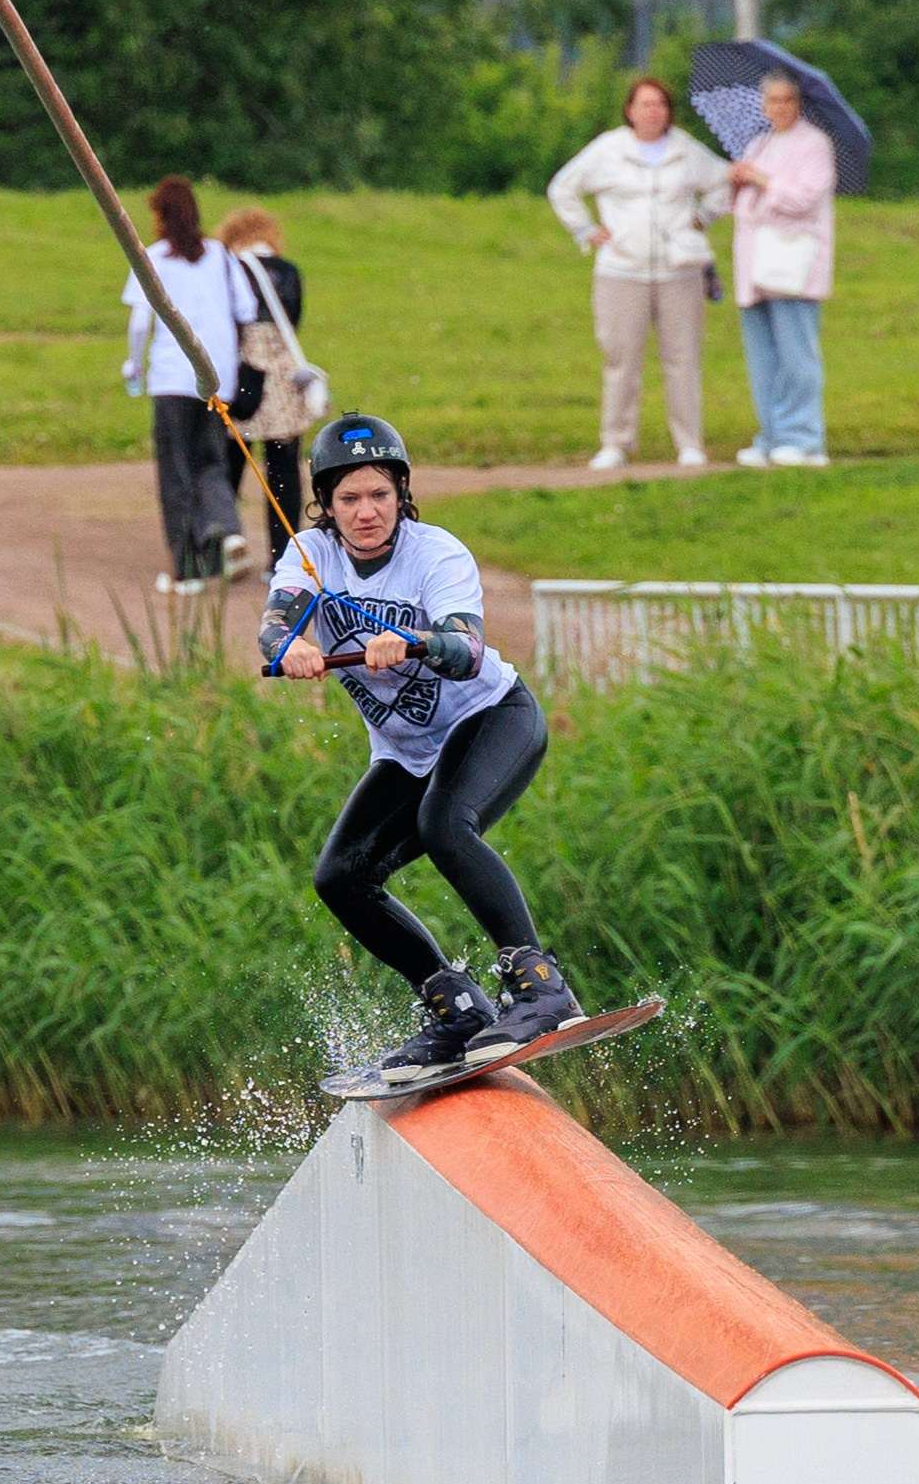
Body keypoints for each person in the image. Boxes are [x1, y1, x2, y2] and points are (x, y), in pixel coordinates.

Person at [262, 412, 588, 1087]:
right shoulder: (308, 554)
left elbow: (466, 647)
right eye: (348, 499)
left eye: (378, 494)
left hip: (492, 716)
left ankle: (540, 988)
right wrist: (289, 645)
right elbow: (275, 622)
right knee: (339, 877)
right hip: (406, 751)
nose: (365, 512)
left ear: (401, 492)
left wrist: (414, 642)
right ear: (325, 503)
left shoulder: (435, 553)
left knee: (443, 824)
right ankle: (456, 1008)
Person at [548, 73, 730, 474]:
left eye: (661, 104)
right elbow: (563, 187)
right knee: (621, 359)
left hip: (678, 269)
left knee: (683, 359)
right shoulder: (609, 150)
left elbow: (724, 181)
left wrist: (702, 216)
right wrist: (586, 230)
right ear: (630, 110)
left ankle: (689, 443)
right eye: (645, 104)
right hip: (621, 269)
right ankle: (616, 442)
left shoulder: (686, 150)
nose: (653, 111)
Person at [122, 175, 248, 590]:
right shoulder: (222, 256)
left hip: (173, 378)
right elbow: (245, 313)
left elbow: (141, 322)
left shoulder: (153, 258)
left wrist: (133, 365)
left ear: (162, 216)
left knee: (175, 471)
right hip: (216, 378)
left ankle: (189, 569)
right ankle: (227, 530)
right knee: (211, 461)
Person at [729, 70, 837, 469]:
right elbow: (744, 204)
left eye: (787, 100)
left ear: (799, 104)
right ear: (763, 105)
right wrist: (739, 182)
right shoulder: (759, 143)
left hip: (794, 262)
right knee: (763, 357)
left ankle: (804, 436)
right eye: (772, 101)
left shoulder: (815, 145)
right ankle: (771, 434)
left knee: (797, 354)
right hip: (755, 263)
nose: (779, 108)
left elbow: (806, 198)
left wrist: (761, 180)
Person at [217, 206, 322, 572]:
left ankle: (225, 544)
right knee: (283, 470)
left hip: (243, 375)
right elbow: (293, 323)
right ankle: (283, 558)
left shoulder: (228, 269)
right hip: (281, 376)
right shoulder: (289, 272)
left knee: (228, 462)